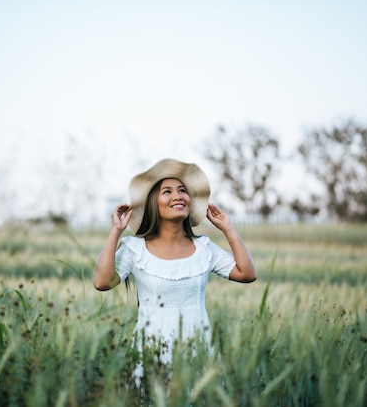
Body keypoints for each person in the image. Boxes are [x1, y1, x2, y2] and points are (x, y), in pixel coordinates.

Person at [93, 158, 257, 382]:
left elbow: (247, 274)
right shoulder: (135, 249)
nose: (178, 196)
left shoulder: (204, 248)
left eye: (182, 190)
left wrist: (228, 229)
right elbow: (102, 282)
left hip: (197, 350)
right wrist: (116, 232)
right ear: (153, 202)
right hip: (150, 352)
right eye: (167, 192)